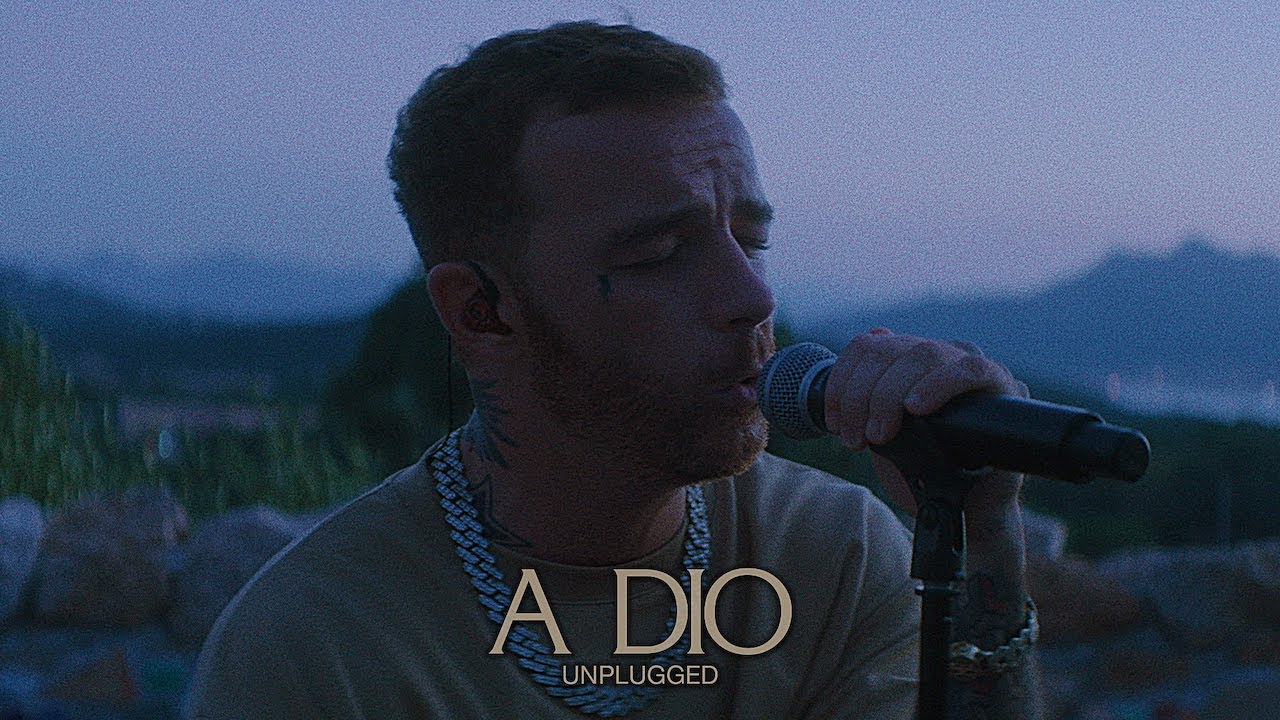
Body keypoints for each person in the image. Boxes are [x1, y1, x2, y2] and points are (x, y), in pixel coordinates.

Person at [187, 21, 1041, 719]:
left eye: (751, 240)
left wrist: (984, 540)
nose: (751, 298)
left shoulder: (837, 556)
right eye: (659, 254)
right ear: (482, 313)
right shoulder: (315, 646)